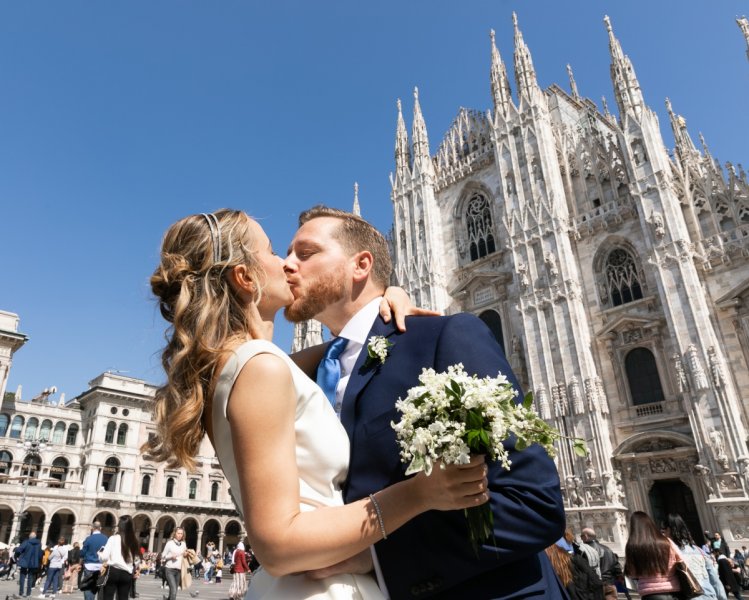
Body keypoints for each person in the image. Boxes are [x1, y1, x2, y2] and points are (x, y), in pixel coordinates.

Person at [143, 209, 490, 600]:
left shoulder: (245, 366)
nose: (287, 264)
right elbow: (276, 545)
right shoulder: (261, 368)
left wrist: (385, 298)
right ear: (244, 277)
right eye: (274, 252)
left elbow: (347, 348)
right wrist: (417, 494)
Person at [283, 205, 566, 599]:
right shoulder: (306, 377)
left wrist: (376, 555)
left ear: (360, 265)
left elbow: (532, 504)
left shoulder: (442, 337)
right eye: (285, 254)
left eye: (305, 253)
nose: (286, 264)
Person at [624, 511, 681, 599]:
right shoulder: (667, 541)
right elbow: (681, 560)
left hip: (650, 595)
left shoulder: (632, 546)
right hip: (672, 591)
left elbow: (632, 573)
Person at [662, 513, 719, 599]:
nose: (662, 534)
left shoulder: (669, 552)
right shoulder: (699, 550)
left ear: (669, 530)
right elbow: (715, 579)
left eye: (663, 530)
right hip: (709, 596)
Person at [97, 516, 140, 600]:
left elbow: (105, 557)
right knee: (123, 597)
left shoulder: (113, 538)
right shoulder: (134, 541)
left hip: (113, 571)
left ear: (119, 526)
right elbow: (137, 560)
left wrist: (99, 554)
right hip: (127, 573)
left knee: (108, 597)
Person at [581, 527, 623, 600]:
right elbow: (616, 566)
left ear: (586, 536)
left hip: (594, 587)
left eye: (581, 536)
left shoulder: (584, 551)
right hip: (609, 585)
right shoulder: (607, 549)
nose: (581, 539)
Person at [80, 522, 108, 600]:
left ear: (92, 528)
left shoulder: (89, 538)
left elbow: (83, 552)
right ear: (100, 528)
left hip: (89, 566)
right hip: (102, 567)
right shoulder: (106, 538)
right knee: (100, 587)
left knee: (88, 588)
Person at [161, 528, 186, 600]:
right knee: (174, 590)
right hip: (170, 570)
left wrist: (185, 554)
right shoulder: (169, 543)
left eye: (181, 533)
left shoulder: (183, 544)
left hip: (179, 570)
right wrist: (171, 556)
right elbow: (163, 556)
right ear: (175, 533)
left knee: (173, 591)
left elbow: (183, 556)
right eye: (178, 533)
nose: (180, 535)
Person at [15, 531, 42, 598]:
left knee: (22, 577)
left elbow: (19, 550)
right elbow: (40, 554)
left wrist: (16, 549)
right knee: (30, 578)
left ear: (30, 536)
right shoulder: (39, 544)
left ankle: (21, 593)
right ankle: (28, 594)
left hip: (25, 561)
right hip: (33, 562)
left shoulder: (26, 542)